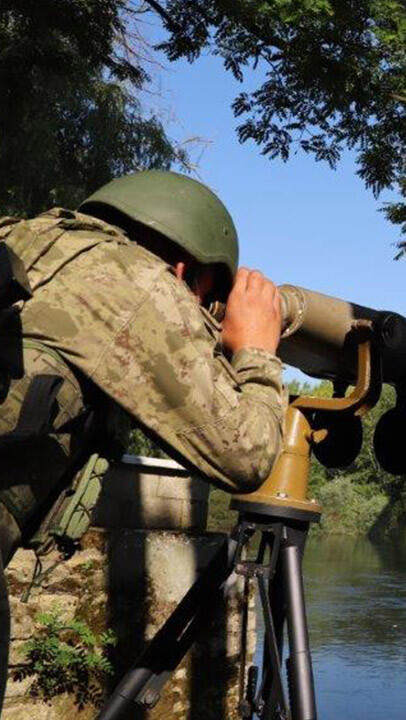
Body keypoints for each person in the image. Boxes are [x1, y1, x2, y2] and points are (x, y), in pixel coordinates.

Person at [0, 170, 288, 702]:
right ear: (183, 269)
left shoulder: (26, 237)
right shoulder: (139, 281)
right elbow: (246, 454)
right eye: (204, 299)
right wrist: (256, 353)